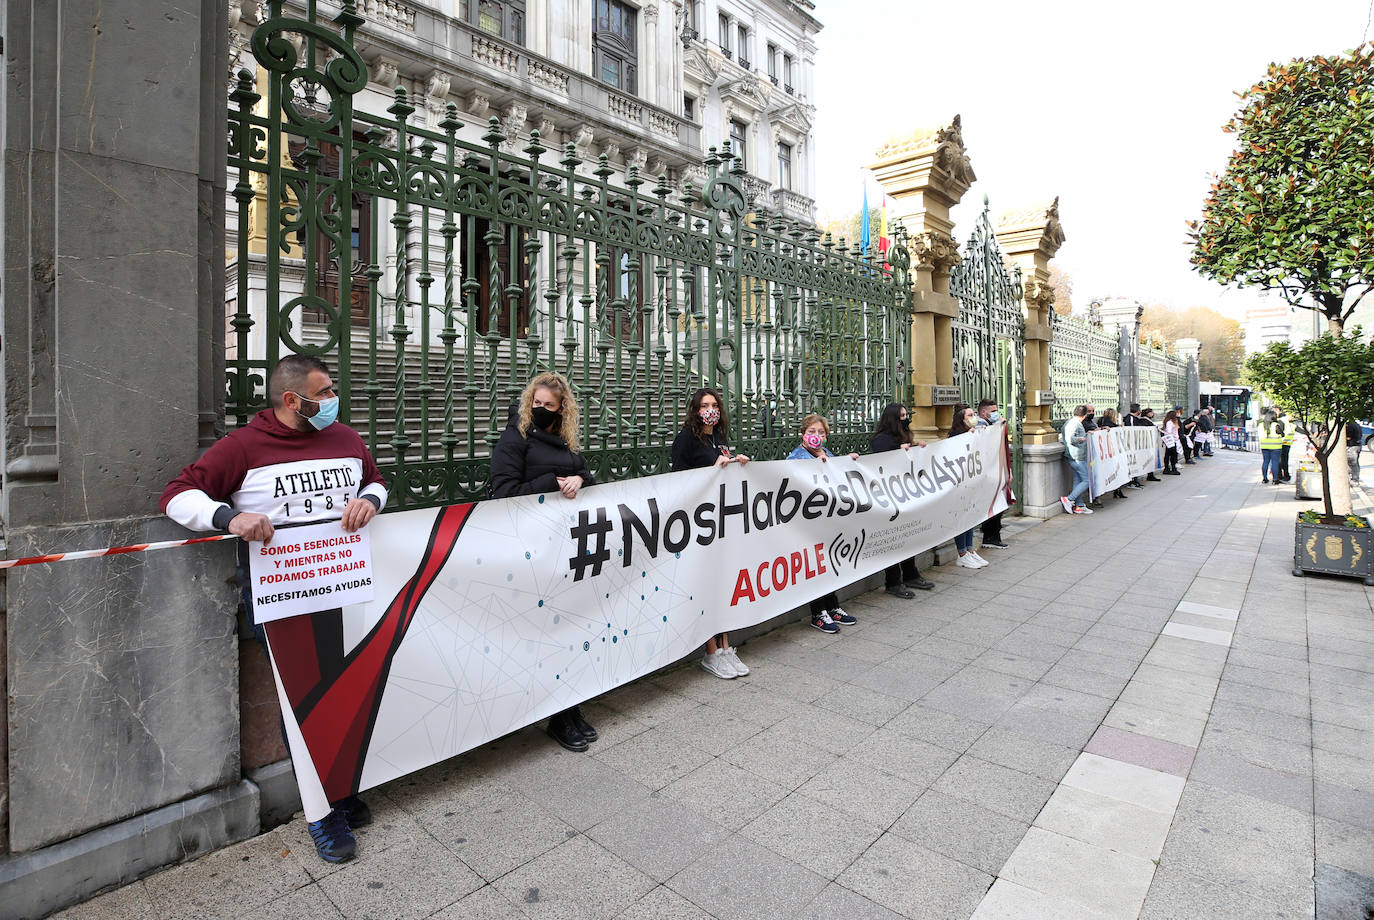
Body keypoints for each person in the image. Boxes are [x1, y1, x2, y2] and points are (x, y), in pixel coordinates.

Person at [161, 354, 387, 864]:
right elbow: (176, 496)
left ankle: (339, 787)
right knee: (299, 698)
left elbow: (375, 480)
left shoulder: (346, 438)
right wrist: (229, 518)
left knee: (337, 686)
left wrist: (370, 501)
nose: (333, 400)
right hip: (282, 596)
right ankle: (321, 813)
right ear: (292, 400)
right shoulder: (242, 447)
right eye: (324, 392)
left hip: (341, 586)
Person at [488, 372, 601, 753]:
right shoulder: (514, 438)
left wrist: (579, 481)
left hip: (566, 548)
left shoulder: (565, 441)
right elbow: (504, 492)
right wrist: (552, 482)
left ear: (561, 409)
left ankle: (570, 711)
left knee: (571, 631)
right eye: (535, 404)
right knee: (548, 635)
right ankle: (557, 713)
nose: (539, 410)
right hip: (530, 551)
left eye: (547, 406)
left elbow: (586, 472)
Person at [671, 387, 752, 679]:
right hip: (699, 523)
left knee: (722, 582)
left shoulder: (718, 438)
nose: (710, 409)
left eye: (714, 404)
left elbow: (721, 471)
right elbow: (678, 480)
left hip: (720, 520)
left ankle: (726, 646)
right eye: (705, 405)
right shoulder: (686, 439)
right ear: (695, 409)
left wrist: (734, 463)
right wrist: (712, 469)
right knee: (706, 584)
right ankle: (710, 651)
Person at [787, 414, 861, 633]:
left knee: (829, 564)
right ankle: (818, 612)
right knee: (815, 565)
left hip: (827, 519)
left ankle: (833, 606)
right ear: (803, 434)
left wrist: (847, 462)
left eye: (821, 432)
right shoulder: (796, 457)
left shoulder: (827, 453)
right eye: (811, 432)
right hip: (808, 522)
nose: (816, 436)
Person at [870, 403, 935, 595]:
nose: (906, 419)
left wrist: (916, 448)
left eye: (906, 415)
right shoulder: (881, 439)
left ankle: (910, 574)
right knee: (893, 540)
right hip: (889, 497)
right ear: (892, 419)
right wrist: (900, 451)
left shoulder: (904, 436)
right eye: (902, 416)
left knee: (908, 537)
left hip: (905, 494)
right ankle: (893, 581)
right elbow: (882, 461)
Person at [948, 404, 990, 567]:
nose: (974, 418)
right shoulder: (955, 436)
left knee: (970, 516)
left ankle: (970, 549)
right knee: (961, 517)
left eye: (974, 415)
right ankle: (962, 553)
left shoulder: (973, 434)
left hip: (972, 481)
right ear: (961, 419)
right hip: (960, 483)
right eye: (970, 416)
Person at [974, 398, 1011, 548]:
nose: (997, 414)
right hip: (986, 474)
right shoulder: (980, 427)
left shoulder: (991, 426)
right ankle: (990, 537)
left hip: (995, 471)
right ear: (984, 412)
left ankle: (993, 536)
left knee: (998, 504)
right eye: (993, 411)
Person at [1059, 404, 1093, 515]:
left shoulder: (1070, 422)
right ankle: (1069, 499)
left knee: (1078, 480)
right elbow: (1071, 439)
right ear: (1085, 415)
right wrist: (1082, 439)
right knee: (1086, 481)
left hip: (1074, 456)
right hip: (1077, 456)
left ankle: (1079, 506)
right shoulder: (1074, 424)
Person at [1096, 408, 1129, 500]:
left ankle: (1117, 490)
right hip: (1111, 451)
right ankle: (1117, 490)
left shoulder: (1100, 421)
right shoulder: (1109, 423)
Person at [1258, 408, 1285, 484]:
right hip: (1275, 447)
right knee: (1275, 463)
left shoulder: (1261, 425)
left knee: (1265, 462)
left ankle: (1265, 478)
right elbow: (1282, 434)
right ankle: (1275, 479)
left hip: (1264, 446)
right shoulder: (1275, 425)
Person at [1140, 408, 1163, 482]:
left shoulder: (1147, 420)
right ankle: (1149, 475)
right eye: (1152, 412)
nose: (1153, 414)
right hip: (1147, 443)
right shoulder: (1144, 420)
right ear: (1148, 413)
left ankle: (1151, 474)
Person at [1160, 409, 1183, 475]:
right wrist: (1174, 437)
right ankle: (1171, 468)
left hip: (1174, 440)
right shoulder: (1170, 422)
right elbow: (1169, 432)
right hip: (1171, 441)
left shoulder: (1173, 422)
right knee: (1172, 455)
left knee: (1170, 455)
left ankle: (1168, 468)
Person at [1278, 408, 1296, 483]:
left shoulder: (1290, 423)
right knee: (1281, 461)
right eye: (1292, 415)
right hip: (1281, 444)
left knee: (1284, 461)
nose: (1293, 417)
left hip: (1286, 445)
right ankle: (1281, 476)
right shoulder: (1282, 421)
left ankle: (1285, 475)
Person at [1346, 419, 1364, 486]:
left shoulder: (1350, 425)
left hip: (1352, 446)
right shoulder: (1357, 425)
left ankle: (1354, 480)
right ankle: (1355, 479)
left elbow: (1348, 437)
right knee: (1355, 463)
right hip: (1358, 445)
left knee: (1352, 463)